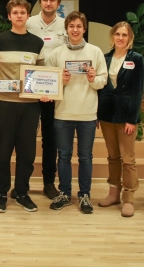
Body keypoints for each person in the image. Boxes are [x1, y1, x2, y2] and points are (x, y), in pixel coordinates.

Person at [0, 0, 45, 213]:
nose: (19, 15)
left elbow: (43, 73)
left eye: (22, 12)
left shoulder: (37, 43)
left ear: (28, 15)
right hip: (4, 104)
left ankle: (22, 193)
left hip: (30, 106)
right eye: (15, 12)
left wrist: (45, 91)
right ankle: (1, 193)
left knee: (27, 154)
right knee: (3, 153)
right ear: (9, 16)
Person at [46, 11, 107, 214]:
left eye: (79, 26)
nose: (75, 30)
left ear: (84, 28)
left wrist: (93, 79)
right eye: (71, 26)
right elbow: (48, 83)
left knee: (85, 157)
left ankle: (84, 195)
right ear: (66, 29)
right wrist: (60, 81)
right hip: (63, 113)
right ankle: (64, 193)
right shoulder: (56, 54)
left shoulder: (95, 52)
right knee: (63, 156)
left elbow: (103, 81)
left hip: (87, 114)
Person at [96, 21, 144, 217]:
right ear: (112, 36)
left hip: (126, 117)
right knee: (113, 157)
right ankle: (113, 194)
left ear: (130, 38)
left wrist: (132, 119)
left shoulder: (136, 59)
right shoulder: (105, 58)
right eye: (118, 34)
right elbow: (100, 88)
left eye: (124, 35)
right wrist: (97, 114)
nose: (121, 38)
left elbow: (138, 91)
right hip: (107, 115)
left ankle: (129, 198)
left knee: (128, 160)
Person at [26, 0, 66, 199]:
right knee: (26, 137)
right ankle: (22, 182)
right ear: (40, 2)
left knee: (50, 139)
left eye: (52, 0)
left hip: (54, 91)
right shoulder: (29, 23)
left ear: (58, 3)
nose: (48, 3)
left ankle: (49, 182)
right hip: (30, 89)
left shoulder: (66, 25)